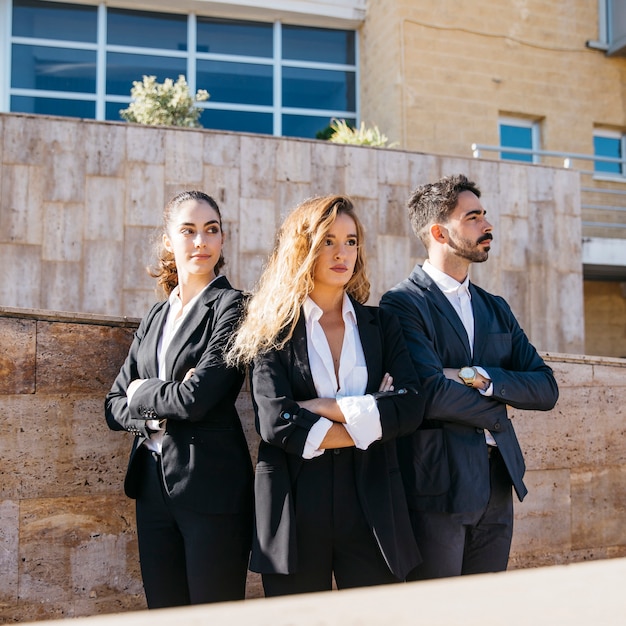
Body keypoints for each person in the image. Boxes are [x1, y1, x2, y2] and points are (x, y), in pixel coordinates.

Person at [227, 195, 424, 596]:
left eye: (351, 241)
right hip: (295, 502)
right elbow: (275, 421)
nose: (342, 253)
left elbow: (409, 405)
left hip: (372, 500)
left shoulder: (382, 324)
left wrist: (321, 408)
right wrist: (371, 419)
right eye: (328, 240)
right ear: (303, 248)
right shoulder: (272, 328)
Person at [380, 174, 559, 580]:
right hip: (437, 485)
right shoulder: (403, 303)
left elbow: (546, 387)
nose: (487, 225)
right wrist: (501, 410)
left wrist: (481, 377)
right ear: (440, 231)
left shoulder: (495, 307)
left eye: (485, 215)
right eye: (473, 217)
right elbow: (429, 392)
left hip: (499, 483)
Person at [105, 190, 253, 608]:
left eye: (211, 230)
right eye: (188, 231)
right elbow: (114, 405)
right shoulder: (156, 315)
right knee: (163, 613)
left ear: (222, 240)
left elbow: (196, 398)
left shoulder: (234, 306)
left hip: (211, 487)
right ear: (169, 241)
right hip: (152, 485)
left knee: (213, 613)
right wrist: (150, 414)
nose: (200, 242)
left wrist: (142, 391)